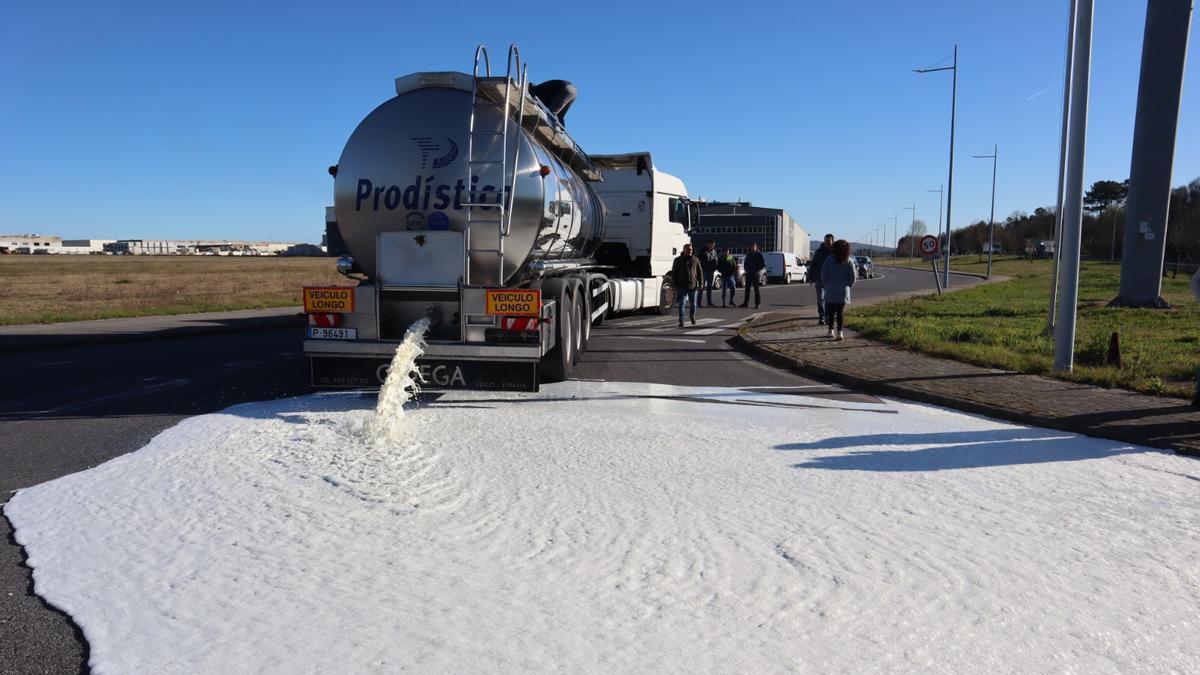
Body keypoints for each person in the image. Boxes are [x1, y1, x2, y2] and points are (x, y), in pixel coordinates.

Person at [819, 239, 856, 341]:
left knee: (830, 311)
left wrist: (826, 284)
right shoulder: (849, 261)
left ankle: (830, 330)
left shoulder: (829, 259)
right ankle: (840, 332)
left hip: (830, 288)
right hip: (843, 290)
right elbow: (853, 276)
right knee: (840, 312)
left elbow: (823, 273)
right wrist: (848, 285)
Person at [671, 243, 704, 327]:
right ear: (684, 250)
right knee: (682, 303)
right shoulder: (678, 260)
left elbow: (700, 272)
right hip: (682, 285)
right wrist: (674, 285)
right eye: (688, 249)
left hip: (693, 285)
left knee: (693, 304)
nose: (690, 251)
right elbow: (674, 273)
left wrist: (701, 283)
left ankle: (692, 316)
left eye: (691, 250)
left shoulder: (695, 259)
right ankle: (681, 320)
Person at [809, 233, 835, 325]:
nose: (827, 242)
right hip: (819, 279)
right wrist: (810, 277)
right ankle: (822, 317)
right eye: (826, 241)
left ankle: (829, 317)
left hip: (831, 280)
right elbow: (813, 264)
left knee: (829, 299)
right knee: (821, 299)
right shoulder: (819, 251)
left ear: (833, 241)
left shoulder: (836, 252)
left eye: (829, 241)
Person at [740, 242, 766, 308]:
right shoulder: (749, 254)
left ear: (756, 246)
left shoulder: (759, 254)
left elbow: (763, 264)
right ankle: (746, 303)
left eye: (753, 246)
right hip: (749, 273)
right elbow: (746, 263)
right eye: (751, 246)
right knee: (747, 289)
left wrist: (756, 270)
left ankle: (757, 304)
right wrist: (746, 270)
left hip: (756, 274)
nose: (752, 247)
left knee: (756, 289)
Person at [696, 239, 719, 307]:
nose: (712, 246)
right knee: (701, 287)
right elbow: (698, 260)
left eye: (713, 245)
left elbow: (716, 260)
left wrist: (715, 267)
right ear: (708, 244)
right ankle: (698, 303)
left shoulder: (714, 252)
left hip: (711, 271)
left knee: (709, 287)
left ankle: (709, 302)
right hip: (704, 271)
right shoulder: (703, 251)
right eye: (711, 244)